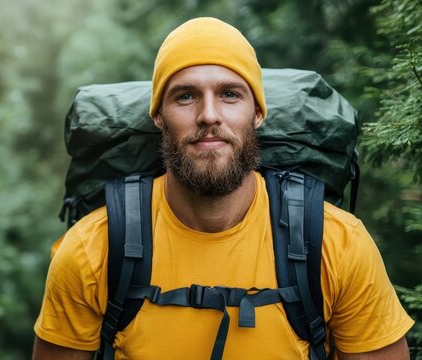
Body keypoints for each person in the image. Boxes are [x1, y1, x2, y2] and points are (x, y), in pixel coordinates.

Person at [32, 17, 414, 359]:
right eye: (185, 96)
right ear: (159, 117)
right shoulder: (92, 250)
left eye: (230, 94)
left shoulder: (337, 244)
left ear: (258, 113)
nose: (209, 115)